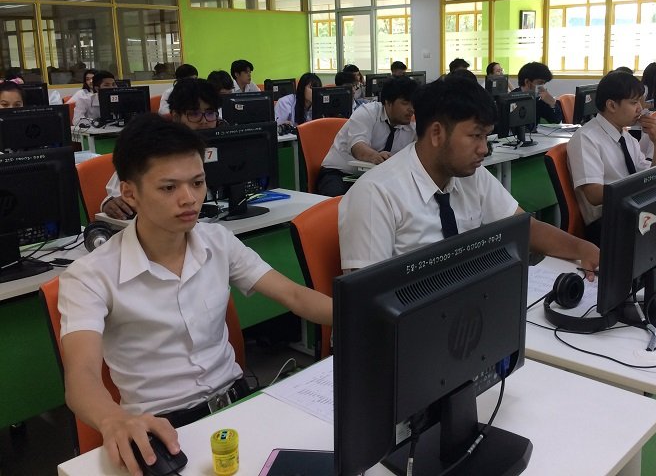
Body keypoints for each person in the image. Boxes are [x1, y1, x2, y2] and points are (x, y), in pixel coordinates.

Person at [59, 113, 332, 475]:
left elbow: (295, 296)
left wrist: (366, 314)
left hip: (239, 406)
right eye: (168, 188)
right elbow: (81, 379)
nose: (189, 199)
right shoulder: (90, 275)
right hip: (164, 431)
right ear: (129, 193)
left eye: (198, 182)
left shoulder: (217, 241)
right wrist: (113, 419)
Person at [338, 76, 599, 274]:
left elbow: (524, 227)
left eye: (486, 136)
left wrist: (581, 248)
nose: (484, 149)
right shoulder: (376, 194)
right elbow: (365, 300)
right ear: (437, 133)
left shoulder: (471, 175)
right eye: (475, 136)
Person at [566, 70, 656, 245]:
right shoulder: (586, 138)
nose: (640, 108)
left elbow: (652, 177)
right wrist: (640, 185)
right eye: (634, 102)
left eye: (640, 101)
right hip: (606, 223)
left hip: (631, 211)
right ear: (611, 105)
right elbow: (593, 194)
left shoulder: (626, 136)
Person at [102, 79, 221, 220]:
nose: (204, 121)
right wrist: (109, 203)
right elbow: (117, 194)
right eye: (194, 114)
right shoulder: (155, 147)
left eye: (210, 113)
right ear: (176, 116)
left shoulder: (229, 142)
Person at [317, 76, 418, 197]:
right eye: (405, 103)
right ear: (388, 102)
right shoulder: (367, 112)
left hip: (375, 177)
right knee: (338, 201)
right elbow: (357, 146)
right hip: (340, 172)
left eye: (414, 104)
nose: (411, 109)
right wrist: (375, 156)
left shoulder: (412, 127)